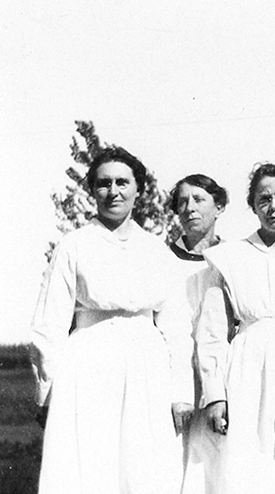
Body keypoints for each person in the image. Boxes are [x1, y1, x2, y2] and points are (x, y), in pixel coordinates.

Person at [29, 146, 193, 494]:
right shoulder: (73, 246)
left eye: (122, 182)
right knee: (90, 464)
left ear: (138, 189)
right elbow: (50, 323)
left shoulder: (156, 250)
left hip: (148, 366)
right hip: (88, 365)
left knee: (144, 466)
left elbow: (177, 327)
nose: (113, 191)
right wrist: (48, 391)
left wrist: (181, 392)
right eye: (104, 183)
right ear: (92, 190)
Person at [195, 163, 275, 494]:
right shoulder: (229, 258)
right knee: (246, 462)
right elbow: (211, 332)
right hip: (247, 371)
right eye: (263, 199)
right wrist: (215, 395)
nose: (273, 206)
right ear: (252, 206)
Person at [166, 174, 229, 493]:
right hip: (168, 382)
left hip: (218, 382)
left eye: (199, 199)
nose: (189, 208)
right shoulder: (161, 259)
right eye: (182, 202)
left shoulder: (232, 261)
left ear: (219, 207)